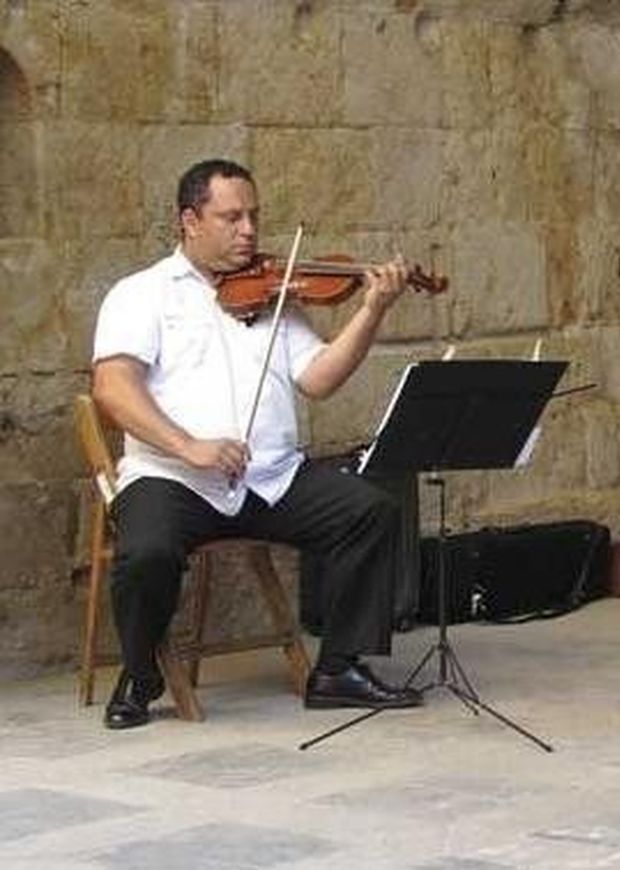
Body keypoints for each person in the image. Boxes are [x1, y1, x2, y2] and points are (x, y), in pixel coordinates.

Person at [91, 158, 424, 730]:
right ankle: (141, 674)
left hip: (269, 478)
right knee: (146, 552)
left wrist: (371, 310)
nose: (249, 230)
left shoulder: (275, 294)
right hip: (174, 477)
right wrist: (186, 445)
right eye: (231, 217)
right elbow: (112, 387)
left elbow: (318, 379)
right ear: (190, 220)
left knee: (369, 511)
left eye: (254, 216)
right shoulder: (141, 294)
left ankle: (338, 669)